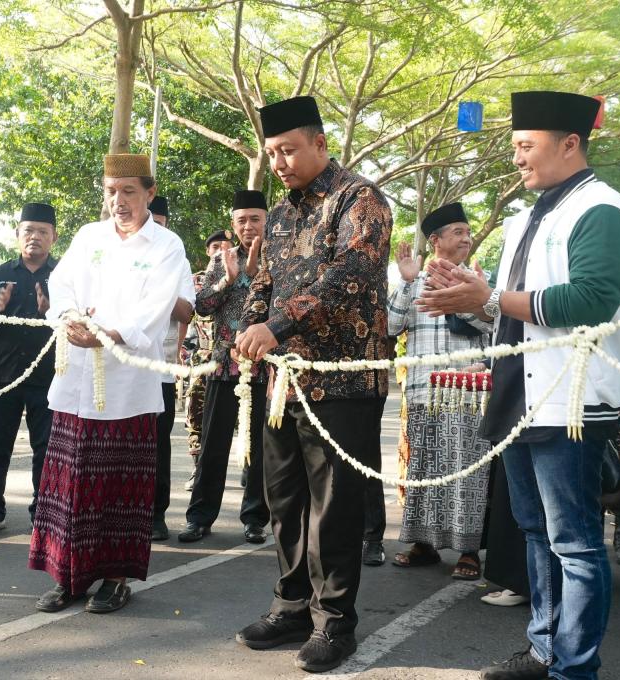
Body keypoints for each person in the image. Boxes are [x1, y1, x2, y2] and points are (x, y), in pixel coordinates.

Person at [417, 91, 620, 680]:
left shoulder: (602, 209)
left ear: (570, 144)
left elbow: (592, 300)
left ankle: (575, 666)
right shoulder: (525, 217)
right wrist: (470, 292)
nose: (516, 157)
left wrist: (487, 296)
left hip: (571, 398)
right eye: (514, 146)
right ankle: (545, 650)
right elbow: (513, 310)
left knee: (574, 541)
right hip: (518, 393)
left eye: (525, 146)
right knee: (535, 532)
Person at [233, 95, 392, 673]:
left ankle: (335, 621)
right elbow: (263, 283)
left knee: (334, 506)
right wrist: (248, 324)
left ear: (321, 144)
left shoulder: (361, 198)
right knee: (285, 499)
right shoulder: (277, 216)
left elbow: (353, 273)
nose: (279, 162)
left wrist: (274, 325)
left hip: (343, 385)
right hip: (282, 384)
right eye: (272, 153)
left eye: (289, 150)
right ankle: (292, 605)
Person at [28, 153, 194, 614]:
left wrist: (111, 334)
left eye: (129, 192)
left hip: (129, 386)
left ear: (149, 193)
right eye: (110, 191)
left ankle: (115, 579)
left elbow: (157, 306)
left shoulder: (167, 245)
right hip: (75, 380)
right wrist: (67, 320)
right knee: (68, 482)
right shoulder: (88, 237)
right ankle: (68, 576)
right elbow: (61, 288)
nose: (118, 202)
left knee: (120, 486)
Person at [387, 203, 491, 579]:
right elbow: (388, 326)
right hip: (421, 390)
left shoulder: (479, 279)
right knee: (422, 469)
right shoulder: (411, 281)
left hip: (467, 390)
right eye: (458, 232)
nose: (467, 238)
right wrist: (406, 281)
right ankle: (423, 544)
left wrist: (467, 296)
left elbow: (491, 326)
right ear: (435, 240)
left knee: (468, 472)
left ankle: (468, 550)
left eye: (467, 232)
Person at [179, 192, 270, 544]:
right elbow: (202, 307)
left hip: (263, 368)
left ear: (267, 221)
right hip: (222, 366)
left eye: (255, 219)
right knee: (212, 445)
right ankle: (199, 517)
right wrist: (227, 280)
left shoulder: (279, 258)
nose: (248, 226)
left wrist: (254, 274)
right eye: (242, 220)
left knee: (259, 449)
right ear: (233, 225)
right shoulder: (221, 259)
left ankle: (255, 519)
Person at [0, 202, 58, 537]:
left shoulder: (61, 274)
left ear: (53, 237)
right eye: (28, 231)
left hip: (48, 378)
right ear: (17, 235)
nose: (34, 237)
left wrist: (53, 310)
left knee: (46, 448)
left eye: (42, 232)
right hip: (4, 376)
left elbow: (76, 318)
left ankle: (43, 513)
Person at [148, 195, 196, 541]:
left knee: (156, 444)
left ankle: (155, 515)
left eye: (158, 224)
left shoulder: (176, 258)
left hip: (159, 366)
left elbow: (186, 313)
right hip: (116, 368)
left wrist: (160, 286)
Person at [181, 237, 225, 492]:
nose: (220, 250)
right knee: (195, 413)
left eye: (224, 246)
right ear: (207, 251)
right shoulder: (198, 280)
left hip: (232, 357)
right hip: (202, 357)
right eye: (215, 247)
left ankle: (247, 468)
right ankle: (197, 470)